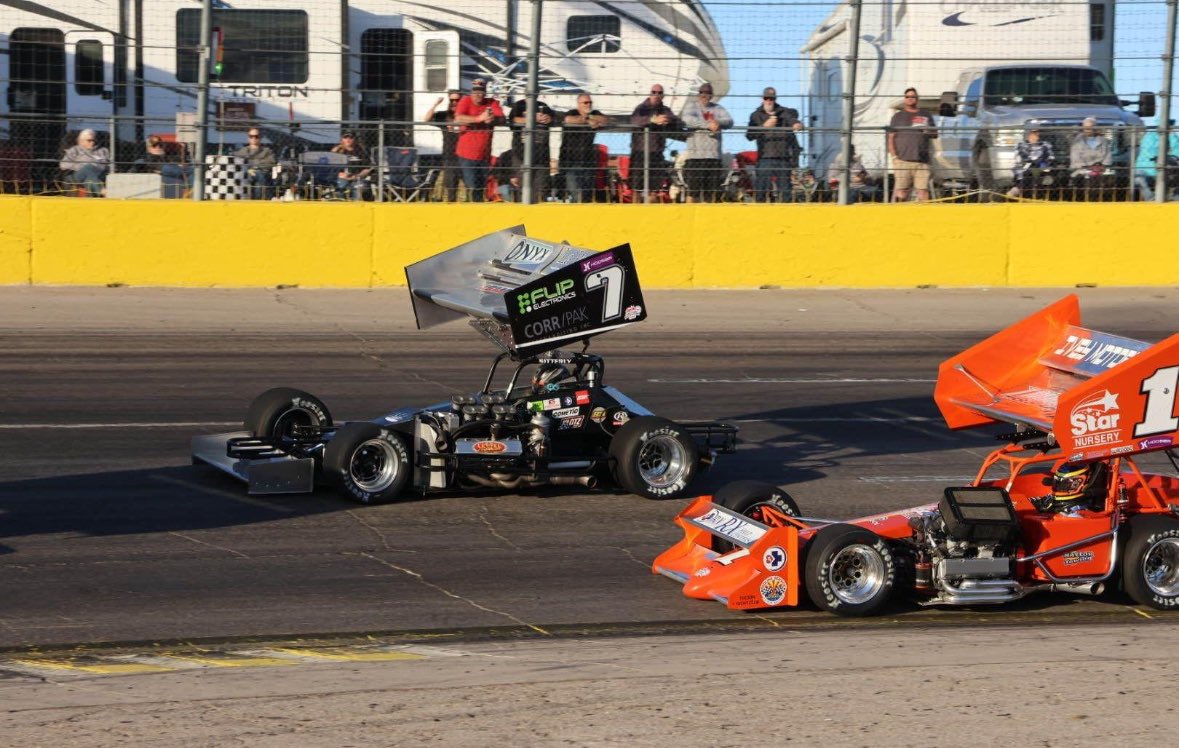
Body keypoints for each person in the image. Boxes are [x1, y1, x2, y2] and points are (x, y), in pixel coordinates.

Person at [747, 86, 804, 202]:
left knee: (785, 190)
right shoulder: (756, 115)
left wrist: (797, 124)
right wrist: (764, 127)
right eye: (766, 98)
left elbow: (792, 120)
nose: (769, 101)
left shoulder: (784, 112)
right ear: (762, 99)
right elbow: (749, 135)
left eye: (771, 98)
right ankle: (759, 213)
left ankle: (784, 214)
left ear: (775, 99)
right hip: (765, 157)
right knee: (761, 189)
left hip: (782, 157)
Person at [680, 82, 733, 203]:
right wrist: (708, 125)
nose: (704, 95)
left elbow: (729, 121)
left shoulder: (718, 108)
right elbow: (687, 120)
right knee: (693, 192)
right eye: (702, 93)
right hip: (695, 157)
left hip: (713, 157)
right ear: (698, 94)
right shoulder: (691, 106)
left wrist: (718, 123)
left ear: (711, 95)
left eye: (707, 93)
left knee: (711, 193)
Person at [454, 78, 506, 202]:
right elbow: (458, 118)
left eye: (481, 93)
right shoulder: (465, 100)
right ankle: (471, 212)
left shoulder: (492, 102)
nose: (478, 95)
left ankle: (479, 211)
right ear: (471, 92)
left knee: (481, 187)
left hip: (484, 155)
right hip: (466, 154)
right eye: (476, 92)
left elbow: (503, 119)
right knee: (472, 186)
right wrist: (479, 119)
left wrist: (492, 119)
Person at [629, 83, 680, 202]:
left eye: (659, 93)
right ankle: (634, 214)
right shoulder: (641, 108)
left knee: (654, 188)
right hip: (639, 153)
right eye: (654, 92)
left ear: (663, 95)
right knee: (636, 187)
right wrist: (652, 120)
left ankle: (651, 215)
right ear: (650, 93)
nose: (656, 95)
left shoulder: (665, 110)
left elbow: (676, 120)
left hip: (656, 154)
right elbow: (635, 120)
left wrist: (667, 119)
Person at [888, 88, 938, 202]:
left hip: (922, 161)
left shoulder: (926, 114)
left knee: (923, 191)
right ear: (904, 99)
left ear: (917, 99)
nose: (910, 99)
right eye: (907, 97)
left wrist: (927, 130)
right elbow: (891, 137)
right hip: (902, 160)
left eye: (912, 96)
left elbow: (935, 134)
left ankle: (923, 217)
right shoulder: (898, 116)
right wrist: (894, 157)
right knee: (902, 192)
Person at [560, 94, 607, 203]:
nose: (588, 104)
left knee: (587, 194)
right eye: (585, 102)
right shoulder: (572, 112)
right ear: (578, 104)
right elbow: (568, 119)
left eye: (590, 102)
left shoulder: (594, 114)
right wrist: (587, 120)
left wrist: (590, 118)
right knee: (576, 193)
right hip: (570, 160)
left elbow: (605, 120)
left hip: (588, 160)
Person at [509, 96, 556, 203]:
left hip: (541, 157)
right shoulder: (519, 105)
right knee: (523, 189)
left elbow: (554, 119)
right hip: (521, 156)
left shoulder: (543, 105)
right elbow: (513, 120)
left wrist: (549, 118)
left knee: (541, 190)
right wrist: (532, 118)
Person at [424, 89, 463, 201]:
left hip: (465, 155)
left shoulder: (466, 115)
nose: (454, 103)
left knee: (468, 187)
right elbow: (426, 119)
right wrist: (436, 104)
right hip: (449, 155)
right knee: (450, 185)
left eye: (457, 100)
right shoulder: (444, 115)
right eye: (452, 100)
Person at [1031, 462, 1109, 514]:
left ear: (1077, 484)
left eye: (1064, 484)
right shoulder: (1050, 500)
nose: (1059, 488)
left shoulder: (1077, 512)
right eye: (1057, 482)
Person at [1069, 117, 1112, 201]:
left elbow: (1108, 156)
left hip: (1100, 169)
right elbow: (1075, 158)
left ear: (1095, 127)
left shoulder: (1103, 141)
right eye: (1085, 127)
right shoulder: (1077, 141)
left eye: (1090, 127)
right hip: (1082, 169)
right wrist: (1088, 167)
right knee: (1083, 179)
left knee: (1104, 179)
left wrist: (1102, 165)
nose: (1087, 130)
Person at [1007, 125, 1055, 199]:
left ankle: (1018, 189)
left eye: (1037, 134)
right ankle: (1025, 191)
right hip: (1026, 166)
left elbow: (1051, 157)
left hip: (1042, 166)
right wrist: (1033, 161)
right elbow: (1022, 157)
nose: (1036, 136)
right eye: (1033, 134)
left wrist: (1044, 162)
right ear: (1028, 134)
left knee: (1035, 170)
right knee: (1029, 170)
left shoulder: (1045, 145)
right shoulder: (1021, 145)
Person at [1134, 125, 1179, 201]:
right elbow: (1148, 151)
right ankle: (1151, 198)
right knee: (1138, 177)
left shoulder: (1171, 136)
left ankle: (1175, 198)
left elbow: (1176, 149)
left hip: (1165, 170)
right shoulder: (1150, 136)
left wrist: (1172, 135)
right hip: (1148, 169)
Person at [60, 129, 110, 196]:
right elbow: (63, 164)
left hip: (98, 174)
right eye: (89, 140)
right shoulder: (74, 150)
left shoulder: (103, 151)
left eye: (94, 140)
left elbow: (108, 165)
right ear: (81, 141)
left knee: (89, 179)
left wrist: (94, 167)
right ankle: (101, 190)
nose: (92, 142)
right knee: (88, 168)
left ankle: (95, 197)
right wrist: (82, 166)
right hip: (77, 176)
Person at [232, 128, 277, 199]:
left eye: (256, 136)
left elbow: (271, 162)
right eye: (251, 136)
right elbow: (235, 161)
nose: (254, 138)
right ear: (248, 138)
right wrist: (251, 168)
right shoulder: (243, 151)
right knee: (257, 181)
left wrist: (254, 167)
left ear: (260, 138)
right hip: (246, 173)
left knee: (259, 178)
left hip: (261, 173)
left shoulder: (267, 151)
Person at [330, 130, 373, 200]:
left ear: (355, 139)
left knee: (359, 188)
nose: (348, 139)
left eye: (351, 137)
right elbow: (329, 168)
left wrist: (357, 176)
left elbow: (367, 168)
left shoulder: (361, 150)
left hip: (357, 177)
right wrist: (339, 174)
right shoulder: (337, 151)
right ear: (342, 139)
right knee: (340, 186)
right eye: (345, 137)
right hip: (341, 177)